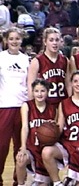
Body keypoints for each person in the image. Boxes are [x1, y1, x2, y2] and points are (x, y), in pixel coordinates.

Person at [42, 70, 79, 186]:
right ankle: (57, 183)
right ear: (71, 83)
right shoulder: (64, 103)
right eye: (75, 81)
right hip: (69, 146)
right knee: (47, 152)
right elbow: (60, 128)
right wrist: (52, 128)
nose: (78, 84)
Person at [0, 27, 29, 186]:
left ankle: (19, 181)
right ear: (6, 40)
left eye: (17, 38)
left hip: (22, 106)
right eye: (11, 39)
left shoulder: (26, 59)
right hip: (4, 106)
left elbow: (29, 83)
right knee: (1, 146)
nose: (14, 41)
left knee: (20, 147)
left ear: (21, 40)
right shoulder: (1, 58)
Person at [16, 79, 57, 185]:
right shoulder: (26, 106)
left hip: (44, 151)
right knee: (20, 159)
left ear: (47, 91)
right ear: (33, 92)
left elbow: (55, 134)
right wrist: (23, 147)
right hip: (31, 148)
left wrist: (52, 127)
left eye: (42, 91)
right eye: (36, 91)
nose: (39, 94)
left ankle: (47, 180)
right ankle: (20, 184)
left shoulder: (53, 109)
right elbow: (25, 127)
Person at [27, 27, 70, 107]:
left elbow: (68, 85)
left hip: (62, 104)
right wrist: (33, 108)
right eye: (51, 40)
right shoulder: (37, 61)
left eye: (57, 40)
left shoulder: (65, 60)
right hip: (45, 106)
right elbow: (31, 87)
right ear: (45, 42)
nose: (54, 43)